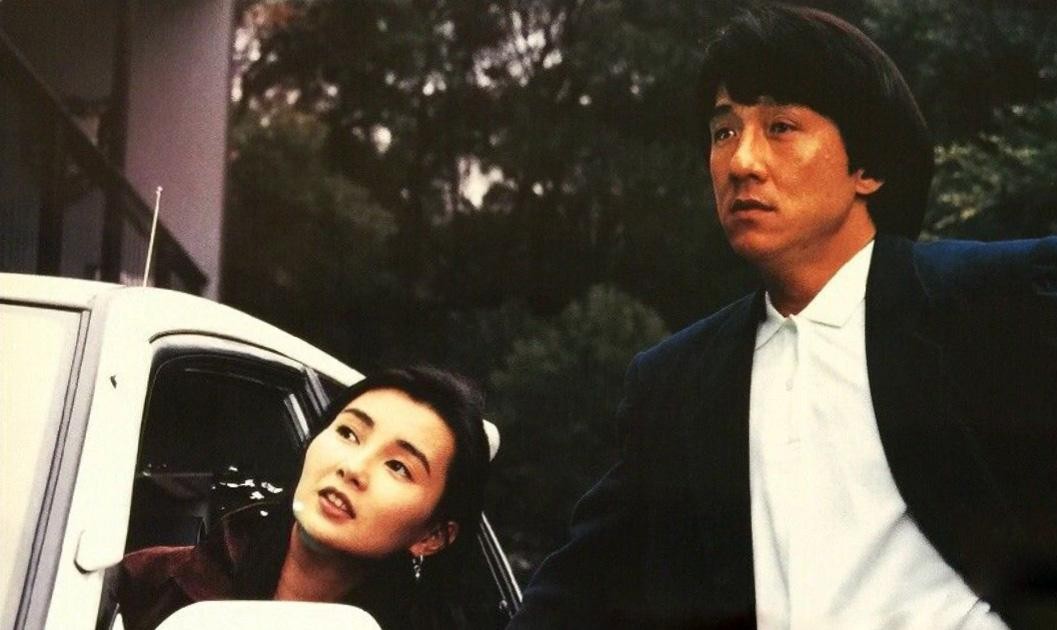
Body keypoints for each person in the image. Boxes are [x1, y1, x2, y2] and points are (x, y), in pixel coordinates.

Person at [508, 4, 1057, 629]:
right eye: (723, 132)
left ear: (868, 167)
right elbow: (580, 590)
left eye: (781, 126)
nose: (741, 161)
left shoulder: (998, 301)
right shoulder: (677, 384)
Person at [114, 366, 496, 630]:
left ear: (433, 536)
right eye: (348, 433)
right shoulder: (149, 584)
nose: (352, 467)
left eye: (398, 467)